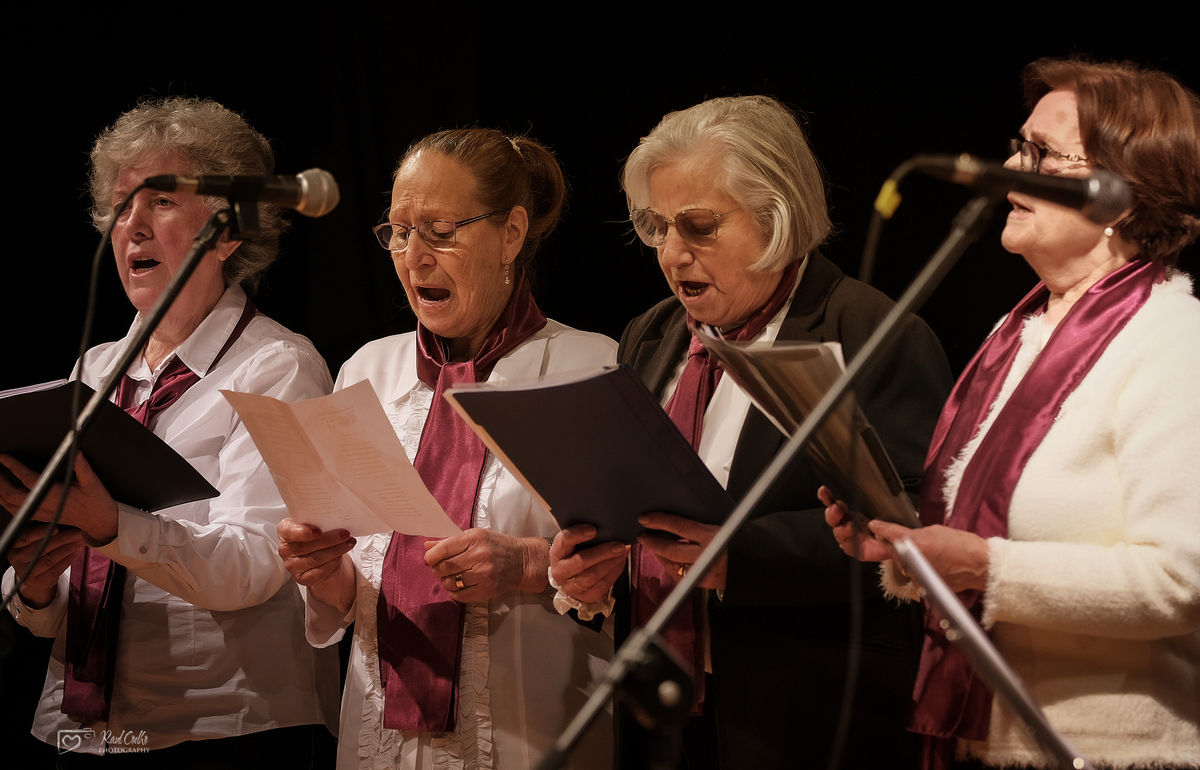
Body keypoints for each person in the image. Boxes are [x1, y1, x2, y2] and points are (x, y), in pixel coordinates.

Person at [549, 95, 954, 769]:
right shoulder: (652, 334)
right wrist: (588, 575)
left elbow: (919, 527)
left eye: (698, 226)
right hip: (661, 715)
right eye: (657, 227)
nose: (672, 253)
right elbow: (636, 510)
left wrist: (742, 559)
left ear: (777, 216)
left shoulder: (872, 334)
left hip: (805, 715)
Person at [826, 58, 1200, 769]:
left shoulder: (1173, 339)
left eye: (1041, 153)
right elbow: (980, 529)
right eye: (1017, 145)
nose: (1009, 168)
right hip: (987, 740)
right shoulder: (1018, 333)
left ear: (1120, 197)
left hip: (1113, 750)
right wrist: (904, 548)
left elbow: (1183, 581)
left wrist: (986, 566)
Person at [0, 97, 340, 764]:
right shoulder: (94, 371)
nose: (132, 226)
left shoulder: (278, 367)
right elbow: (54, 608)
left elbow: (254, 567)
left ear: (228, 231)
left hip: (222, 727)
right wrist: (36, 584)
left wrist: (110, 525)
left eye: (160, 201)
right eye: (120, 207)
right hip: (77, 733)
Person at [277, 128, 616, 770]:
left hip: (530, 729)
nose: (414, 257)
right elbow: (360, 592)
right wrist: (322, 570)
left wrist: (526, 563)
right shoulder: (366, 372)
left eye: (439, 231)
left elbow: (636, 565)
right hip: (378, 734)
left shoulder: (589, 368)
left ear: (511, 233)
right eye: (400, 232)